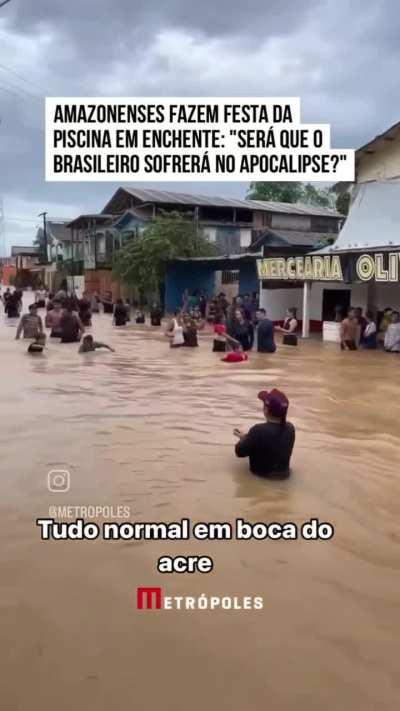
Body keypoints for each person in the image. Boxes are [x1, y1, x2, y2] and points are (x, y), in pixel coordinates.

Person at [234, 389, 295, 478]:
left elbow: (239, 452)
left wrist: (243, 439)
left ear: (266, 409)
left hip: (261, 478)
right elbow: (272, 443)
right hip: (284, 476)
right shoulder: (290, 428)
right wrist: (248, 437)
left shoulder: (257, 430)